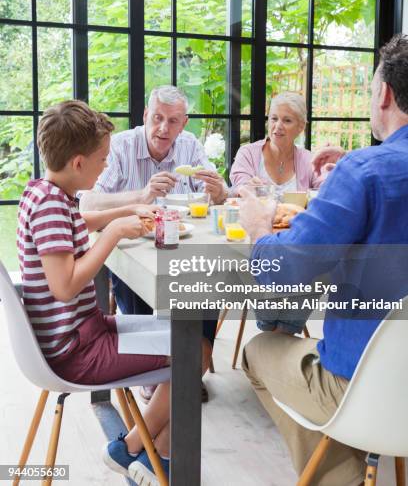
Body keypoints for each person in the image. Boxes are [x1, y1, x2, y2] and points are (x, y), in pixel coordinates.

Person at [238, 34, 408, 485]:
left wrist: (258, 228)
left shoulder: (365, 172)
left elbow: (284, 271)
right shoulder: (365, 168)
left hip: (365, 389)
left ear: (385, 93)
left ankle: (342, 478)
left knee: (257, 351)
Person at [17, 99, 188, 484]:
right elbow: (64, 286)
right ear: (78, 163)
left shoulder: (45, 192)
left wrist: (121, 216)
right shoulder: (49, 207)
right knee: (194, 354)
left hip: (81, 332)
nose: (107, 165)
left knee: (189, 339)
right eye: (102, 159)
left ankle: (143, 450)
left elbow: (80, 220)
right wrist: (112, 234)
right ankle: (144, 452)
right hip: (73, 351)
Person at [80, 85, 226, 400]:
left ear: (184, 123)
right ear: (146, 115)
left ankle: (190, 367)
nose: (163, 128)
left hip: (183, 244)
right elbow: (87, 205)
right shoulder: (119, 147)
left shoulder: (189, 146)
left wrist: (218, 192)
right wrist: (142, 195)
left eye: (173, 121)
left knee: (212, 280)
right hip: (133, 248)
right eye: (157, 118)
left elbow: (220, 193)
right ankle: (151, 368)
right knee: (138, 282)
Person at [230, 91, 344, 197]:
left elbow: (326, 193)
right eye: (274, 118)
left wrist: (336, 170)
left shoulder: (309, 160)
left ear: (301, 127)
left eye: (287, 120)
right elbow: (239, 188)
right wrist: (247, 188)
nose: (278, 126)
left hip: (296, 218)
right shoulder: (247, 153)